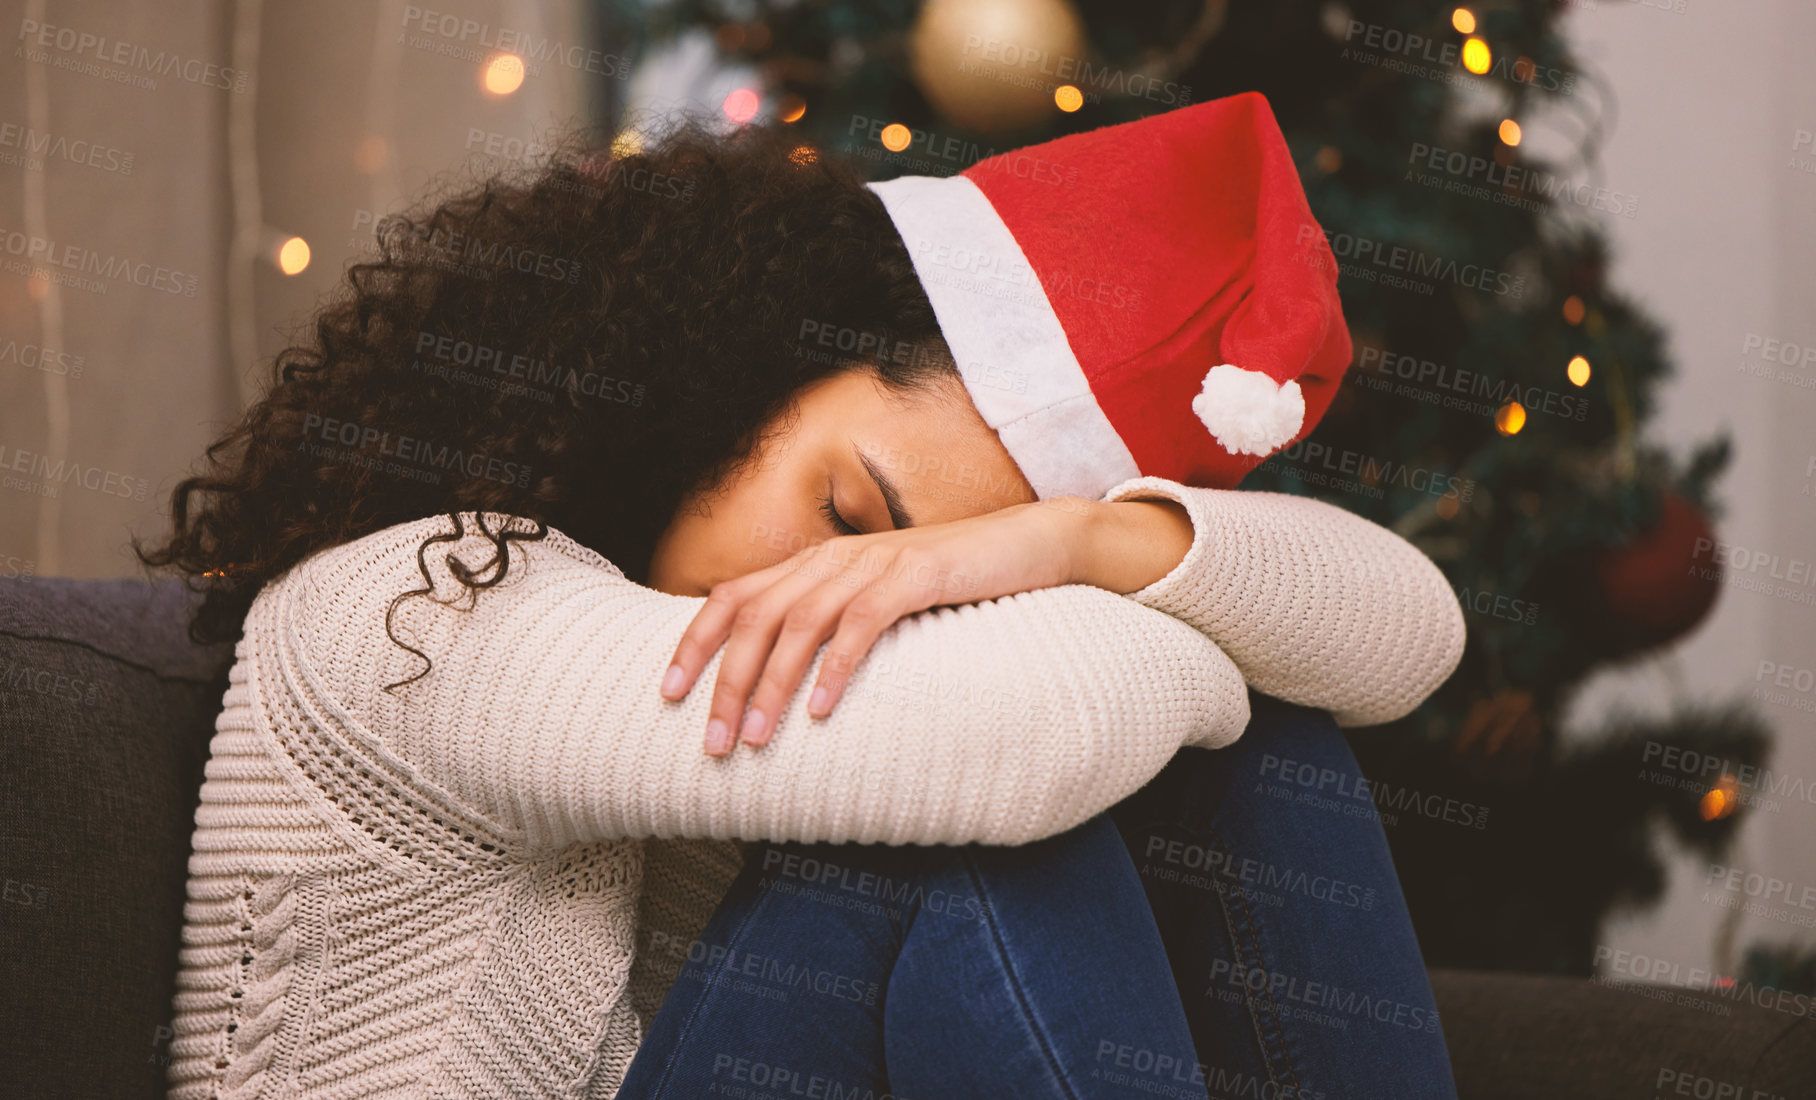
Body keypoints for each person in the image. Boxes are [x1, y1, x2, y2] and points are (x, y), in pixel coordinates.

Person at [139, 96, 1463, 1100]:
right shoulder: (426, 612)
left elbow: (1412, 633)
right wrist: (1139, 603)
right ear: (736, 372)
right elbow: (1019, 749)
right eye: (855, 520)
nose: (853, 595)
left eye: (927, 585)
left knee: (1262, 745)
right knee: (970, 830)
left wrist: (1075, 547)